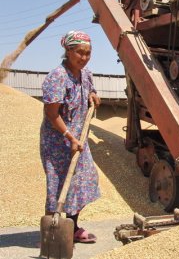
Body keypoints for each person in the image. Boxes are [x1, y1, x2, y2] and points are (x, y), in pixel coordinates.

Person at [40, 30, 101, 243]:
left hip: (79, 139)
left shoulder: (86, 74)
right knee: (58, 184)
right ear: (68, 51)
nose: (84, 57)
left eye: (88, 53)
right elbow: (51, 114)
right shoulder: (57, 77)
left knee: (83, 179)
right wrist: (69, 137)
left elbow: (90, 90)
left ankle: (72, 227)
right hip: (57, 140)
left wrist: (93, 95)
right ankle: (52, 234)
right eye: (79, 53)